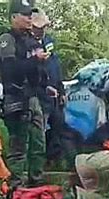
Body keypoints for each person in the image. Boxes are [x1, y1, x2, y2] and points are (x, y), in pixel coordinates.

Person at [0, 0, 50, 188]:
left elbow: (35, 73)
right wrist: (34, 60)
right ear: (14, 17)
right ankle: (14, 187)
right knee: (18, 146)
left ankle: (36, 183)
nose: (29, 19)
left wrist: (44, 80)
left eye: (30, 15)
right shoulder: (6, 39)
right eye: (25, 15)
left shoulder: (30, 41)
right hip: (15, 99)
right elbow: (11, 71)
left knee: (39, 144)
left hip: (33, 98)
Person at [30, 9, 66, 163]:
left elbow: (55, 66)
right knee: (39, 131)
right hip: (40, 95)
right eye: (39, 27)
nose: (42, 30)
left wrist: (61, 89)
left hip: (55, 96)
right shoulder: (27, 44)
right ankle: (38, 162)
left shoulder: (49, 42)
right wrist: (44, 88)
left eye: (44, 27)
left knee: (58, 126)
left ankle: (55, 159)